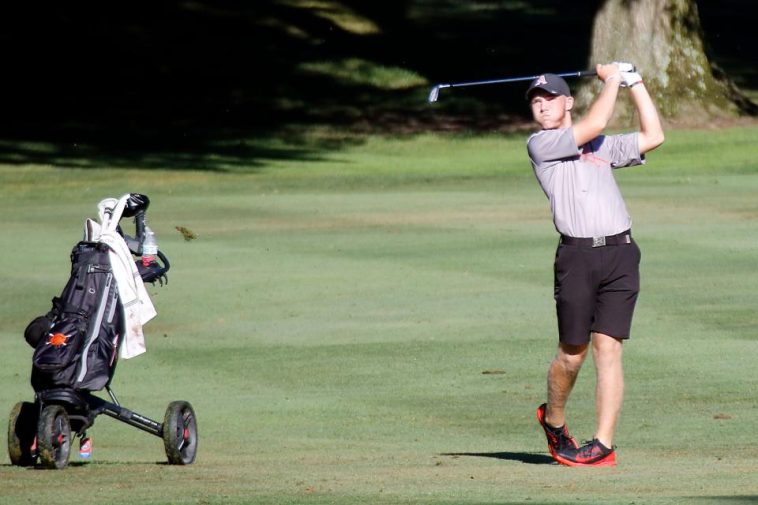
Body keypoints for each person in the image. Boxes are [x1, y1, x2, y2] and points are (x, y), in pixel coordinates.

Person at [525, 63, 664, 467]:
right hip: (577, 256)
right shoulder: (541, 145)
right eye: (536, 101)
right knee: (573, 353)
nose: (543, 106)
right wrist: (613, 79)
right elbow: (598, 117)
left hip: (621, 252)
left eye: (550, 98)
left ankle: (602, 445)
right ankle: (553, 422)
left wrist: (636, 82)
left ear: (567, 101)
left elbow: (654, 135)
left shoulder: (600, 145)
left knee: (609, 349)